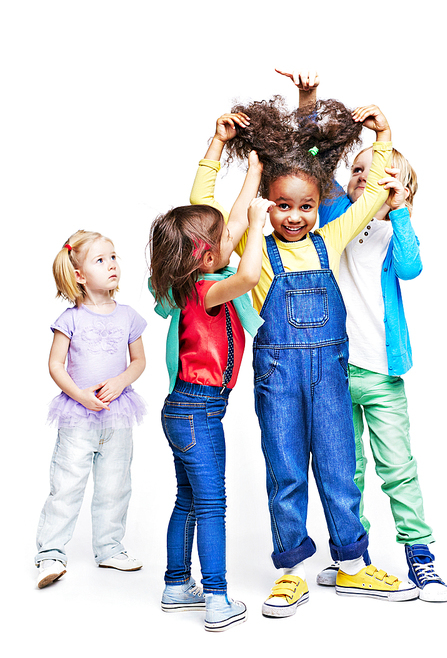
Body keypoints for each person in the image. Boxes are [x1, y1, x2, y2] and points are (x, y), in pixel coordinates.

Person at [191, 95, 419, 617]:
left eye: (306, 205)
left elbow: (368, 200)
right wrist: (218, 147)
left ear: (320, 204)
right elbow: (201, 214)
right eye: (282, 205)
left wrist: (383, 139)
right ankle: (290, 571)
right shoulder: (252, 243)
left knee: (340, 467)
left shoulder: (331, 236)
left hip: (331, 375)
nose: (294, 216)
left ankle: (353, 567)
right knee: (286, 468)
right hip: (279, 373)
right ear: (264, 205)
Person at [282, 69, 447, 602]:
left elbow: (411, 268)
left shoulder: (392, 229)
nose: (362, 175)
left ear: (400, 187)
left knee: (398, 469)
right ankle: (354, 558)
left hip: (380, 370)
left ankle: (420, 557)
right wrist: (307, 102)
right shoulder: (333, 214)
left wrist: (397, 208)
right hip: (332, 368)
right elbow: (309, 162)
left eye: (373, 171)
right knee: (344, 471)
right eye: (356, 169)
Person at [148, 126, 272, 631]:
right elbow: (246, 275)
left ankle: (177, 584)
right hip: (198, 410)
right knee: (213, 502)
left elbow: (234, 219)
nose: (235, 237)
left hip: (186, 408)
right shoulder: (207, 289)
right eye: (225, 241)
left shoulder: (188, 280)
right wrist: (260, 229)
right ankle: (217, 597)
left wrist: (255, 174)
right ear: (207, 256)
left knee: (188, 498)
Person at [35, 230, 146, 589]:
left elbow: (139, 361)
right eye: (101, 260)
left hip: (117, 414)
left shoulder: (128, 315)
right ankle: (50, 553)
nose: (112, 264)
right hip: (79, 416)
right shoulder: (70, 319)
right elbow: (55, 365)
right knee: (66, 484)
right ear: (80, 274)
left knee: (116, 484)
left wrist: (121, 381)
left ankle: (109, 547)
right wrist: (81, 396)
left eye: (113, 257)